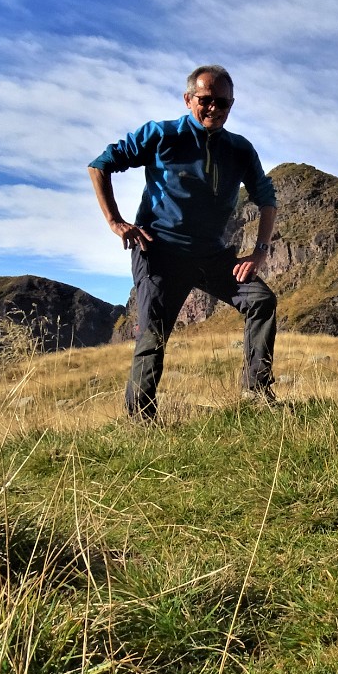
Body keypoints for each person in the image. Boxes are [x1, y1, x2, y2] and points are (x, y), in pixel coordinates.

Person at [88, 64, 280, 419]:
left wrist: (259, 252)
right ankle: (141, 422)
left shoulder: (239, 149)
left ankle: (257, 394)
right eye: (206, 100)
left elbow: (266, 199)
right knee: (153, 335)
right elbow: (100, 165)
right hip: (159, 251)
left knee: (261, 300)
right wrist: (115, 222)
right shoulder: (161, 135)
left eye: (223, 103)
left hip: (210, 254)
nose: (215, 110)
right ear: (188, 99)